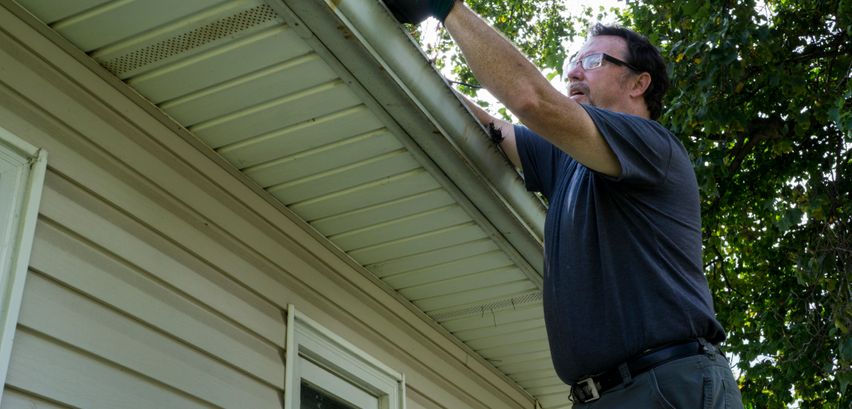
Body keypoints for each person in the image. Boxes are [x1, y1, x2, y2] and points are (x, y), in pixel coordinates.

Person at [382, 1, 746, 407]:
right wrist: (395, 45)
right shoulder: (566, 161)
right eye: (573, 61)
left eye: (592, 61)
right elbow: (489, 128)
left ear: (638, 83)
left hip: (667, 383)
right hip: (600, 395)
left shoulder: (652, 145)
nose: (573, 72)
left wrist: (443, 7)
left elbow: (532, 100)